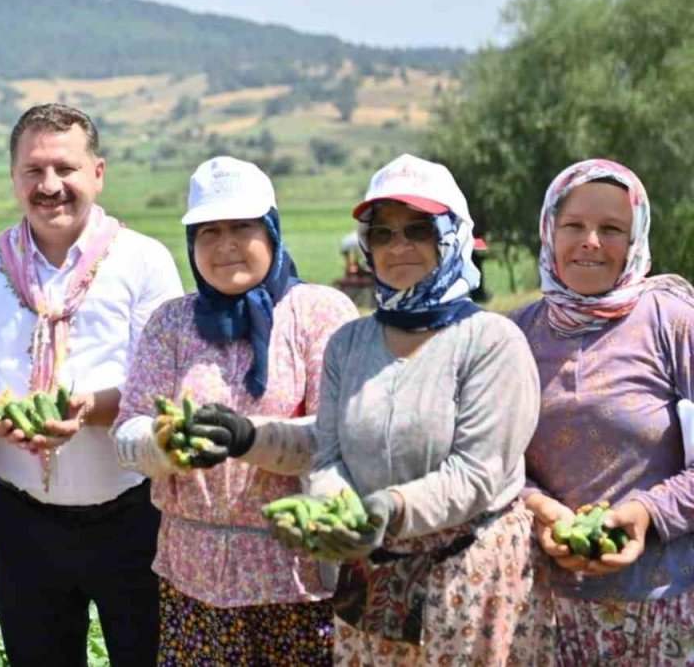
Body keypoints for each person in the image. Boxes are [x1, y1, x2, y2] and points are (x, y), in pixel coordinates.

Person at [263, 154, 555, 665]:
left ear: (450, 236)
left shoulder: (490, 341)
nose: (398, 247)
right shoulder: (349, 343)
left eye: (418, 230)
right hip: (373, 574)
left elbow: (477, 473)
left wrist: (386, 509)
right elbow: (329, 453)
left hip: (467, 578)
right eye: (382, 233)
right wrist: (340, 510)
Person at [0, 103, 183, 666]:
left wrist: (89, 409)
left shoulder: (143, 261)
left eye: (66, 168)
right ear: (14, 178)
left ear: (97, 173)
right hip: (23, 520)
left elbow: (164, 386)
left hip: (135, 514)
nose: (50, 186)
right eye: (34, 171)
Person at [113, 156, 357, 665]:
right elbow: (127, 431)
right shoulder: (173, 323)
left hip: (295, 581)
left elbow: (338, 436)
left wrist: (248, 436)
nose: (225, 245)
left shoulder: (318, 313)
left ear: (270, 229)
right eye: (209, 231)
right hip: (193, 581)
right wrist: (166, 444)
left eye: (241, 227)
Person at [514, 159, 694, 665]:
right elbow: (489, 461)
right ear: (550, 230)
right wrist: (540, 508)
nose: (590, 241)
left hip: (669, 605)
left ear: (635, 239)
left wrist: (645, 514)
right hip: (548, 611)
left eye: (612, 228)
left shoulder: (673, 325)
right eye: (574, 225)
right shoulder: (514, 336)